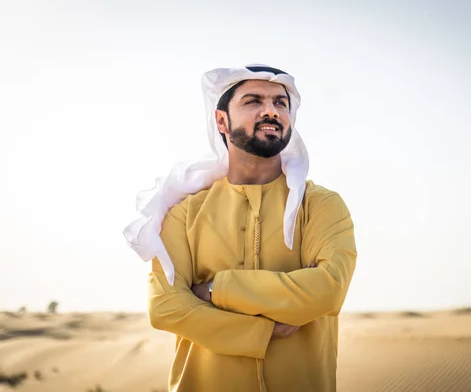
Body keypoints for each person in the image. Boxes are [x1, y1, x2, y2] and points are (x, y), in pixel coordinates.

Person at [123, 64, 357, 392]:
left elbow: (329, 289)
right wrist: (263, 330)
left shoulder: (320, 205)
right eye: (253, 101)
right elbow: (166, 307)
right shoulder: (184, 213)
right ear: (221, 120)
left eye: (280, 103)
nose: (270, 112)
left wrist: (215, 291)